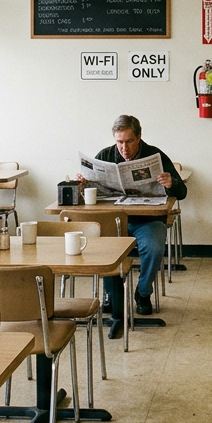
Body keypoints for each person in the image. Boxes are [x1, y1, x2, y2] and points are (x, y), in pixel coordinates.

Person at [80, 115, 186, 338]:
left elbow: (182, 192)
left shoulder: (155, 155)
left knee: (155, 247)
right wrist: (83, 185)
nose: (124, 148)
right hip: (113, 221)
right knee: (105, 248)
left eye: (128, 141)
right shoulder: (106, 156)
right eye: (119, 142)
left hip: (147, 221)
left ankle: (143, 292)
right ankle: (112, 296)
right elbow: (90, 195)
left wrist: (171, 183)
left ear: (139, 137)